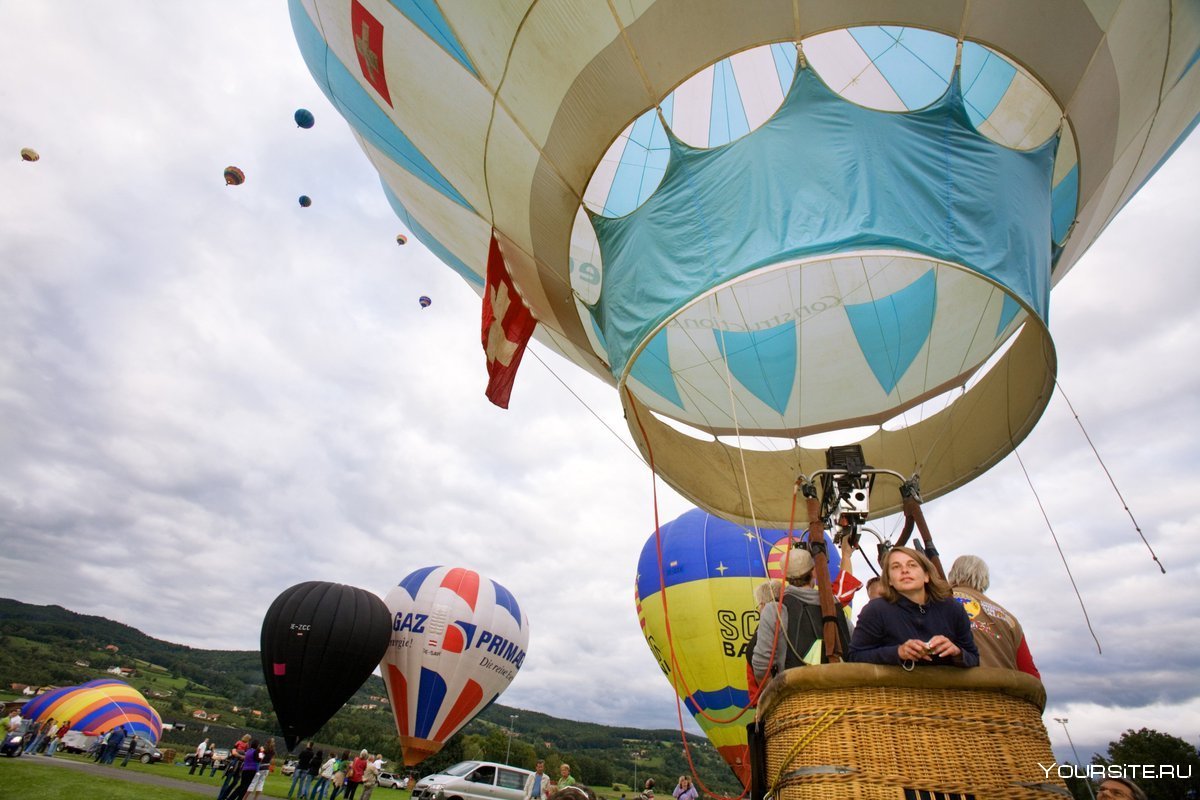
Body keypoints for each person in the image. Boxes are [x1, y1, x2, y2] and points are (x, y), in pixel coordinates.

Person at [847, 546, 979, 668]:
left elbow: (974, 658)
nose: (905, 570)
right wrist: (897, 652)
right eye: (896, 567)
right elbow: (854, 657)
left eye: (912, 565)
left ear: (927, 576)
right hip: (895, 691)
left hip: (948, 691)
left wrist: (957, 653)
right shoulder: (876, 610)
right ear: (890, 581)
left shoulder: (953, 609)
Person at [751, 548, 853, 681]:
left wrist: (773, 695)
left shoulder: (775, 610)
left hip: (796, 694)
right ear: (814, 572)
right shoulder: (833, 605)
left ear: (785, 577)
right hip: (838, 692)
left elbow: (760, 666)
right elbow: (853, 644)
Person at [948, 555, 1040, 678]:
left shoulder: (938, 601)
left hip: (952, 692)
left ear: (952, 574)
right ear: (985, 579)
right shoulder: (1009, 619)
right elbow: (1030, 672)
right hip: (1003, 692)